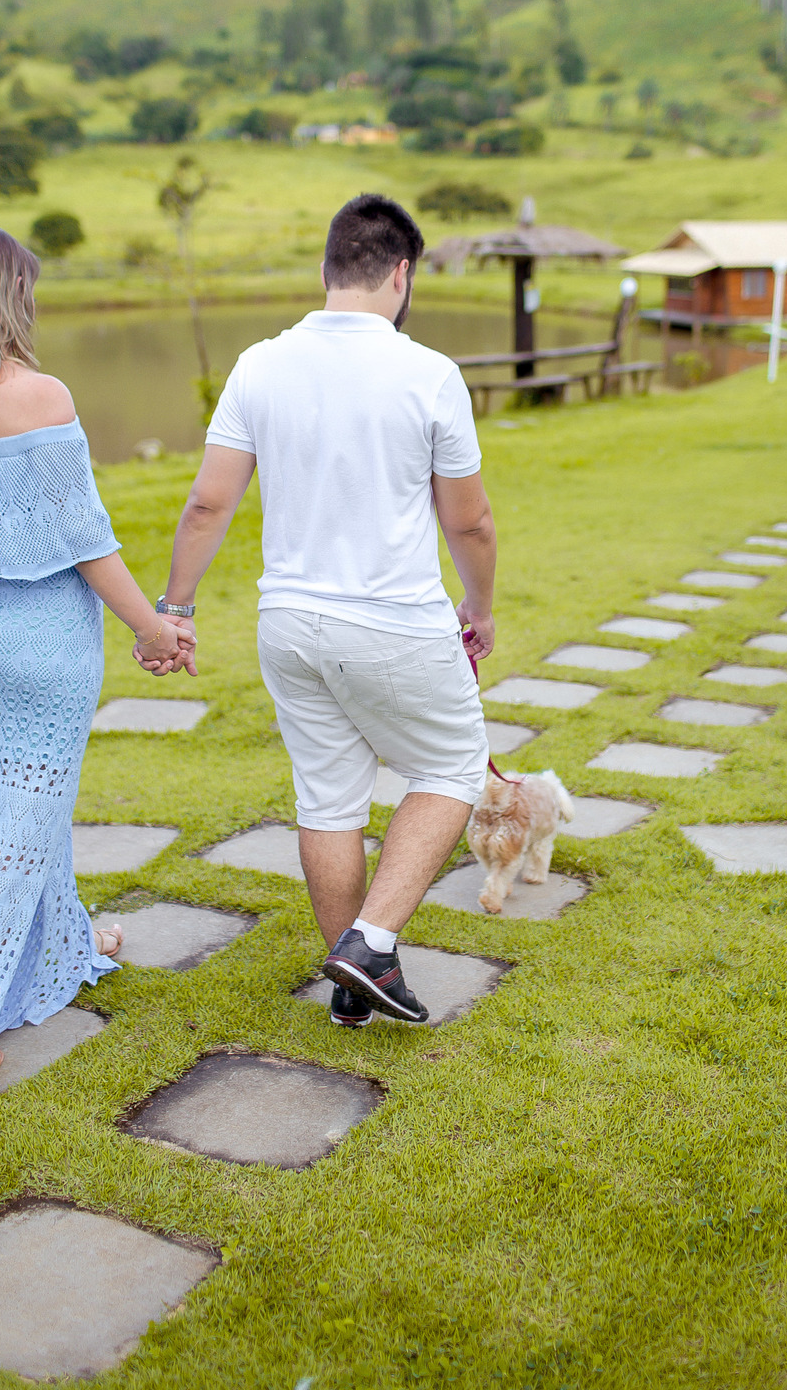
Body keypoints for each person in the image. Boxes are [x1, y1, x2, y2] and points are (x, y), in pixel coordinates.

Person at [148, 193, 496, 1025]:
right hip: (393, 621)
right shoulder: (430, 373)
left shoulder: (259, 363)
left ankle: (352, 984)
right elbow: (470, 519)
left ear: (327, 270)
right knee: (453, 765)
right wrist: (478, 606)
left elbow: (207, 504)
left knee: (329, 800)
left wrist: (175, 608)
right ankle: (370, 943)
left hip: (289, 628)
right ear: (402, 274)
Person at [0, 227, 192, 1108]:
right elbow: (85, 539)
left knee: (17, 804)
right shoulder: (45, 395)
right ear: (14, 294)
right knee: (16, 837)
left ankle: (65, 943)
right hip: (38, 641)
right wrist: (154, 628)